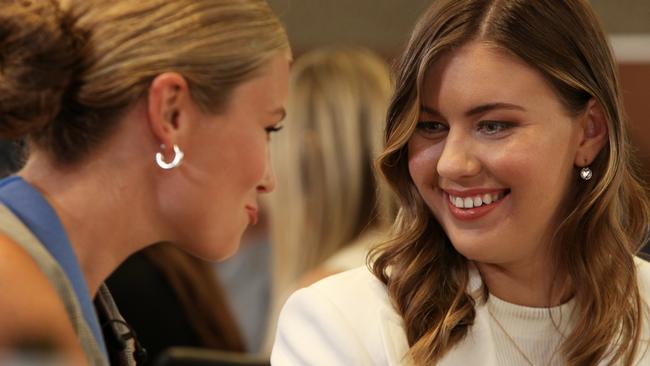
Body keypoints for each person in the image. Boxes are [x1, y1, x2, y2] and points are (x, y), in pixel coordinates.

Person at [271, 1, 650, 365]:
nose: (452, 163)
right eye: (430, 127)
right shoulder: (343, 321)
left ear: (589, 133)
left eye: (493, 126)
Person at [0, 0, 290, 365]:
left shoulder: (75, 294)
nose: (269, 181)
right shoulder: (13, 294)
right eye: (268, 127)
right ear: (172, 113)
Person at [263, 47, 394, 352]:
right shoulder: (425, 270)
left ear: (307, 155)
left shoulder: (320, 300)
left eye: (268, 132)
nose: (263, 173)